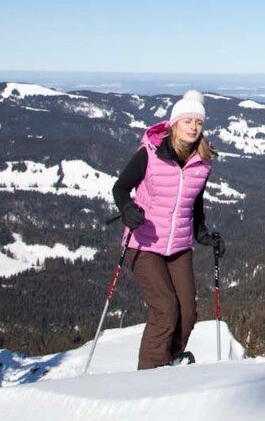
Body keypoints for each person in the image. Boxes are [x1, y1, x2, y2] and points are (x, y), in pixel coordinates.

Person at [112, 89, 224, 369]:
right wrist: (127, 209)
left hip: (179, 246)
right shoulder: (149, 153)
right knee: (165, 309)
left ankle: (169, 361)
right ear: (174, 123)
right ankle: (149, 375)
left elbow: (194, 203)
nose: (193, 127)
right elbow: (121, 188)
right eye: (187, 121)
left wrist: (203, 235)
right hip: (144, 243)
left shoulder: (203, 162)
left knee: (187, 313)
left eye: (198, 123)